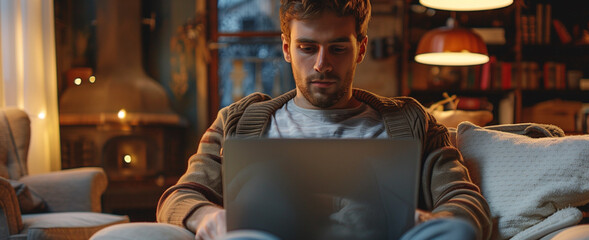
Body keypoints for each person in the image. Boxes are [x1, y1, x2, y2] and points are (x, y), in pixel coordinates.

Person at [156, 0, 492, 239]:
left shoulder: (411, 119)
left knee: (458, 228)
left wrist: (425, 220)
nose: (322, 64)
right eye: (307, 48)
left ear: (360, 48)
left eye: (337, 48)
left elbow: (464, 199)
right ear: (287, 49)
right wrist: (209, 216)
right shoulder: (239, 120)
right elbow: (179, 196)